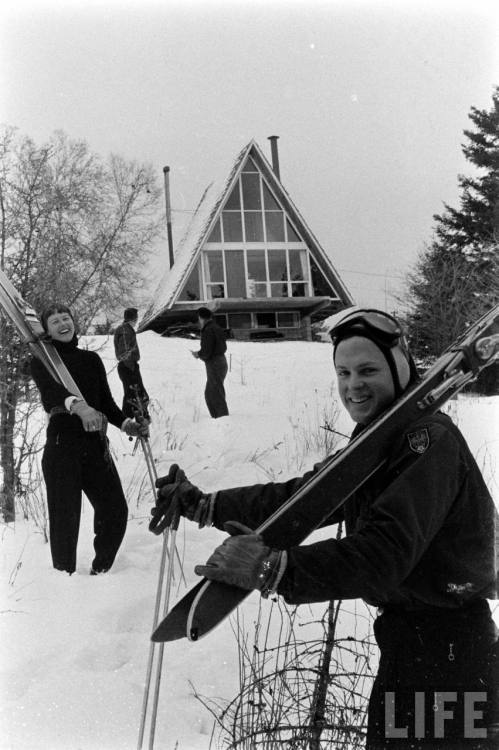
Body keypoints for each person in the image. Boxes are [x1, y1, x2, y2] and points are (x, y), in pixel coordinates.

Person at [150, 307, 498, 749]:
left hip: (451, 659)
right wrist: (206, 506)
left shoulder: (426, 442)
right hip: (410, 648)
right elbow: (307, 496)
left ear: (401, 365)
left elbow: (382, 554)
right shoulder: (384, 435)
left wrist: (273, 568)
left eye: (368, 369)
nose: (353, 385)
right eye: (344, 372)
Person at [31, 303, 149, 576]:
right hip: (62, 448)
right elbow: (51, 395)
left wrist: (128, 424)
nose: (63, 323)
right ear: (47, 330)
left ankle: (101, 572)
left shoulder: (91, 360)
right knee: (65, 521)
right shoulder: (42, 362)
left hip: (95, 447)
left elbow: (105, 404)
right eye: (55, 321)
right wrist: (78, 407)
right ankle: (65, 580)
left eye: (66, 317)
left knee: (115, 511)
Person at [191, 307, 229, 418]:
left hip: (214, 363)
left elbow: (207, 351)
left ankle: (222, 418)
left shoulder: (208, 330)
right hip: (221, 361)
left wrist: (198, 354)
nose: (198, 321)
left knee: (214, 393)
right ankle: (218, 417)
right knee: (212, 392)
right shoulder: (216, 327)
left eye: (199, 318)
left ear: (201, 318)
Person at [113, 307, 150, 420]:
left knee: (132, 393)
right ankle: (134, 419)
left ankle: (130, 418)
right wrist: (131, 366)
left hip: (127, 365)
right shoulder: (125, 330)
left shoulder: (125, 329)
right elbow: (125, 352)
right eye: (136, 319)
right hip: (128, 366)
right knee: (135, 394)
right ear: (133, 319)